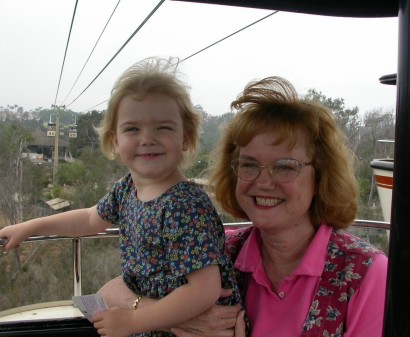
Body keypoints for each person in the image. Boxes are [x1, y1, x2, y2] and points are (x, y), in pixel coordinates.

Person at [98, 75, 388, 337]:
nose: (264, 182)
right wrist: (171, 319)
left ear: (320, 175)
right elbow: (111, 290)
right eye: (249, 165)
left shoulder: (363, 274)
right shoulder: (223, 252)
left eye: (285, 167)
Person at [0, 57, 243, 337]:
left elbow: (204, 290)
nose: (147, 138)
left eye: (163, 127)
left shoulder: (184, 205)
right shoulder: (127, 188)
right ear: (115, 141)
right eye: (132, 129)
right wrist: (31, 227)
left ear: (185, 138)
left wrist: (132, 322)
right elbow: (91, 218)